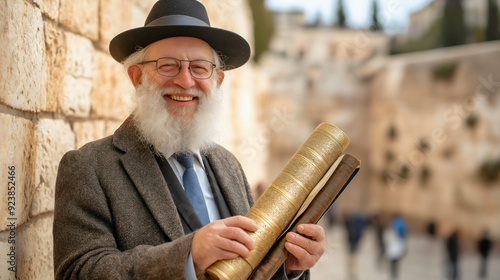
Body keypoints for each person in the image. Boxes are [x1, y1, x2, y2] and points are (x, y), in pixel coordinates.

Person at [52, 0, 326, 279]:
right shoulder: (89, 167)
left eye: (199, 67)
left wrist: (288, 266)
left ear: (217, 80)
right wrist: (187, 257)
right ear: (137, 77)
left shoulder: (229, 165)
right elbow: (76, 272)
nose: (185, 81)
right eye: (167, 66)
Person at [383, 214, 407, 280]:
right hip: (397, 245)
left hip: (394, 247)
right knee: (395, 261)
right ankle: (394, 273)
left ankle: (393, 273)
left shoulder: (392, 224)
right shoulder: (402, 223)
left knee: (393, 261)